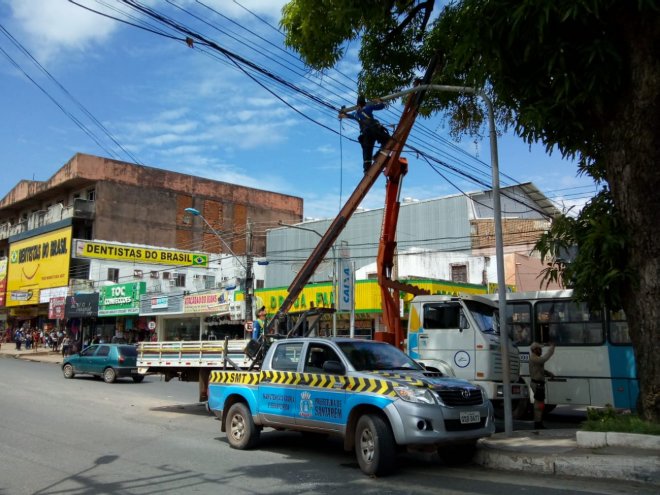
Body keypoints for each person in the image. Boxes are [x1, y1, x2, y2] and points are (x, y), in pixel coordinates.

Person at [339, 95, 391, 173]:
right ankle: (378, 155)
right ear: (364, 103)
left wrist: (342, 112)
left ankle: (367, 169)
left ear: (357, 105)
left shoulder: (355, 114)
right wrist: (379, 101)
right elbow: (381, 106)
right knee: (387, 140)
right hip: (373, 129)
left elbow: (343, 116)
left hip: (365, 133)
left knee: (367, 151)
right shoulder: (368, 107)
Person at [529, 341, 556, 429]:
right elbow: (543, 359)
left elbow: (540, 370)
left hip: (539, 384)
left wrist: (548, 373)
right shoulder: (534, 358)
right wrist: (551, 349)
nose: (541, 351)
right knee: (538, 404)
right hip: (537, 384)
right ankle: (537, 423)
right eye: (539, 349)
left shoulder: (536, 358)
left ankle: (539, 421)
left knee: (540, 404)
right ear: (535, 350)